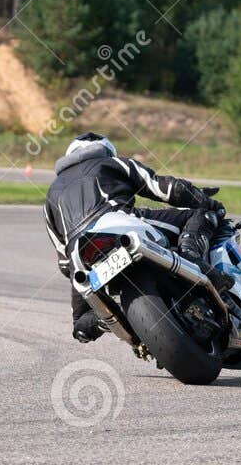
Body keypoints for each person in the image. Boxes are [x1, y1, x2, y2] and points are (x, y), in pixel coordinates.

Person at [44, 133, 224, 343]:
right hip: (118, 222)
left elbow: (64, 261)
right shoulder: (112, 162)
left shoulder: (50, 194)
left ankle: (105, 318)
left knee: (81, 322)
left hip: (79, 255)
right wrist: (207, 202)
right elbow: (166, 189)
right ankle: (193, 258)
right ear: (107, 150)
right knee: (201, 215)